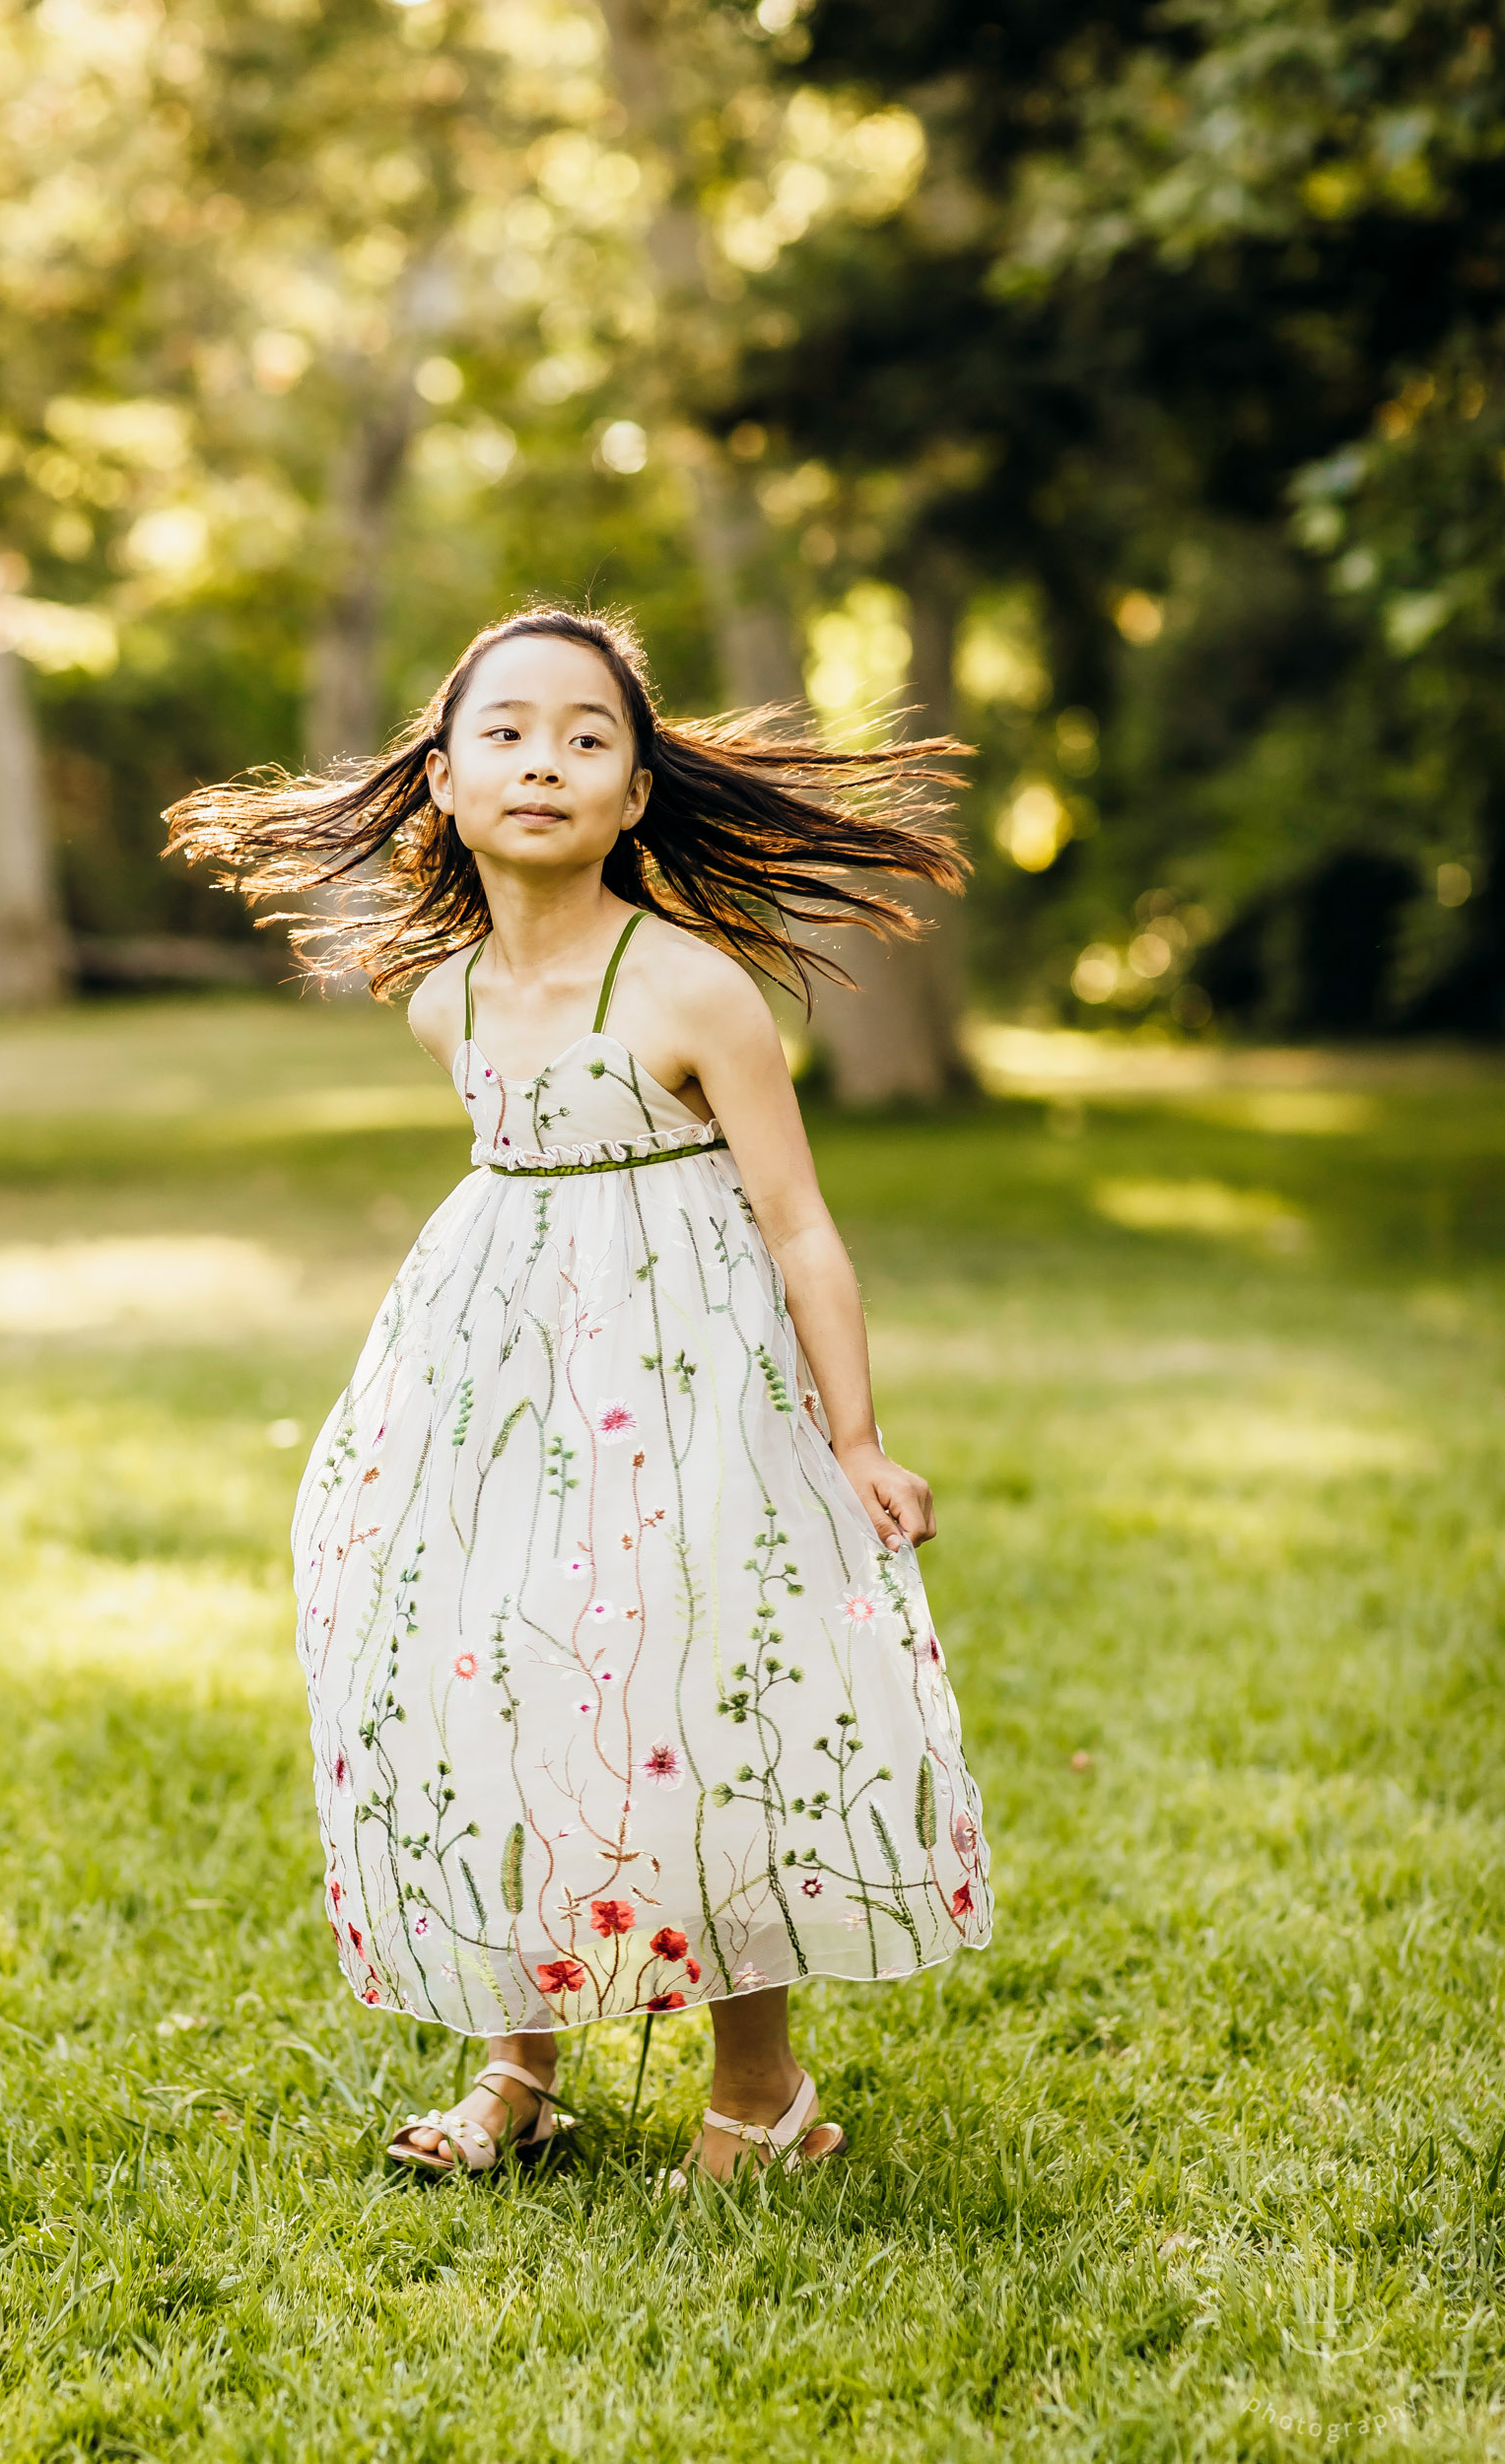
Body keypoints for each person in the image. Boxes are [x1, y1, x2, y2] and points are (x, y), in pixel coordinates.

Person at [166, 605, 992, 2183]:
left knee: (703, 1692)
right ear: (442, 780)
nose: (543, 758)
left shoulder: (693, 990)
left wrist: (857, 1437)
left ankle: (761, 2092)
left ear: (632, 794)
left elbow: (799, 1223)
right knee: (488, 1679)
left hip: (679, 1381)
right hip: (486, 1375)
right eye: (506, 731)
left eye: (586, 735)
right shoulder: (445, 1003)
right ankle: (515, 2071)